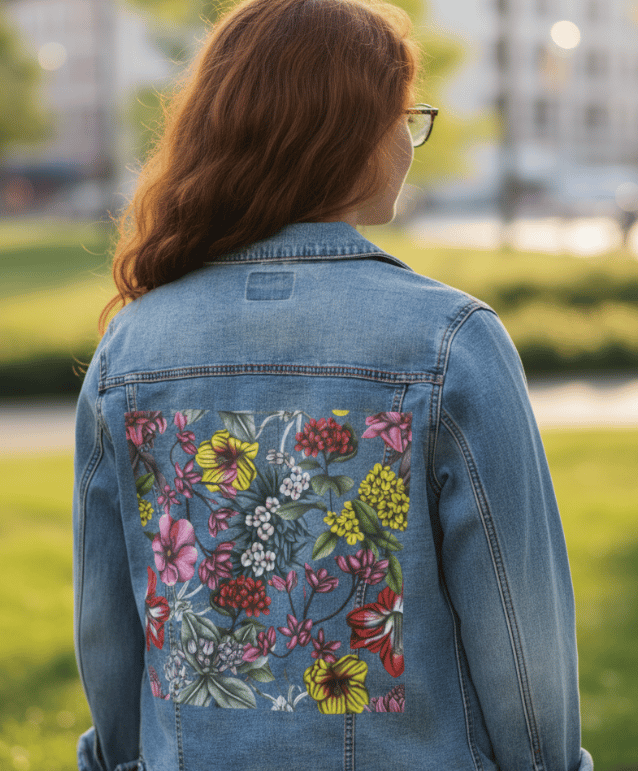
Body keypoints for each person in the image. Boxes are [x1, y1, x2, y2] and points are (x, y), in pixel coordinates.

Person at [73, 1, 593, 769]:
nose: (408, 142)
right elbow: (521, 635)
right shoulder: (451, 342)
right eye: (403, 116)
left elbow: (109, 628)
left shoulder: (131, 348)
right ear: (346, 132)